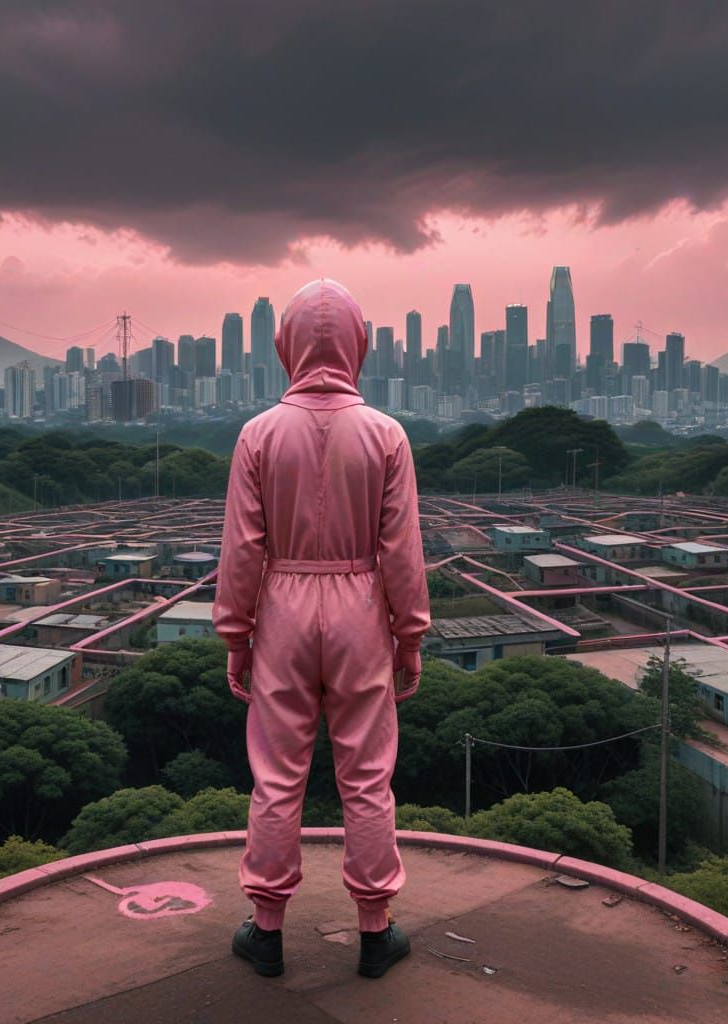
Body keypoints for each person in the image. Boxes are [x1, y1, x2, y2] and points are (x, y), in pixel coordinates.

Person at [211, 278, 430, 979]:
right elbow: (403, 552)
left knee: (277, 778)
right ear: (359, 344)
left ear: (288, 345)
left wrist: (236, 638)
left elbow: (242, 551)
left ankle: (267, 930)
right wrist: (410, 637)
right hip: (363, 606)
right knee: (367, 777)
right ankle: (375, 931)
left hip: (281, 608)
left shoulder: (257, 434)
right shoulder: (388, 434)